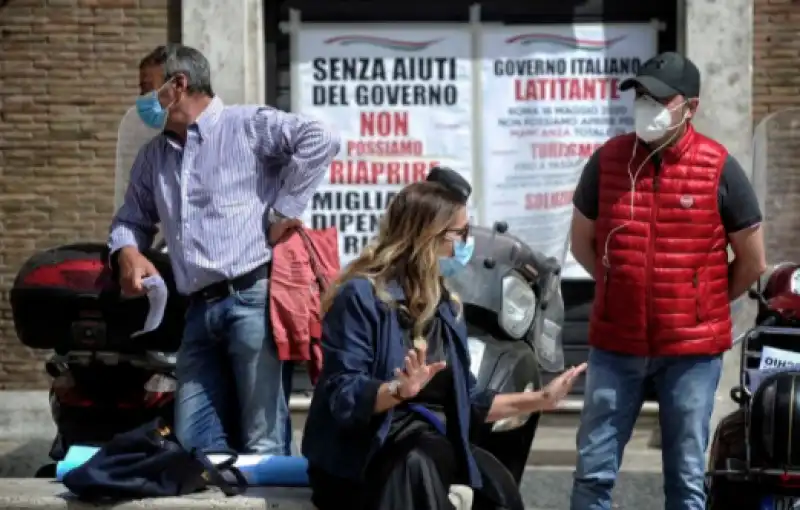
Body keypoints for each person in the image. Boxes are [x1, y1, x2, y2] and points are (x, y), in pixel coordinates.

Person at [302, 175, 588, 510]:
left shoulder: (446, 306)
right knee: (415, 466)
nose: (467, 243)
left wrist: (541, 399)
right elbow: (343, 395)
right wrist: (397, 390)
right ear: (426, 238)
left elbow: (469, 402)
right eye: (460, 234)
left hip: (430, 440)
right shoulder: (362, 297)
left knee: (497, 487)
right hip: (363, 456)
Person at [108, 44, 340, 455]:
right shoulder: (153, 157)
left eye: (147, 89)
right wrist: (126, 250)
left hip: (252, 299)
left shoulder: (246, 125)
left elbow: (322, 138)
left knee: (262, 439)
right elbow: (131, 220)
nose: (141, 102)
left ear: (178, 85)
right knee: (195, 440)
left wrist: (285, 209)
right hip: (196, 309)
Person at [568, 52, 767, 510]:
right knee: (593, 475)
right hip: (616, 346)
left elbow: (752, 261)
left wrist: (702, 303)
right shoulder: (608, 162)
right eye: (639, 95)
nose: (645, 105)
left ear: (690, 107)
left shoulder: (718, 168)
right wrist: (618, 289)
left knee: (685, 480)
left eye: (658, 97)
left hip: (690, 354)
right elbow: (582, 242)